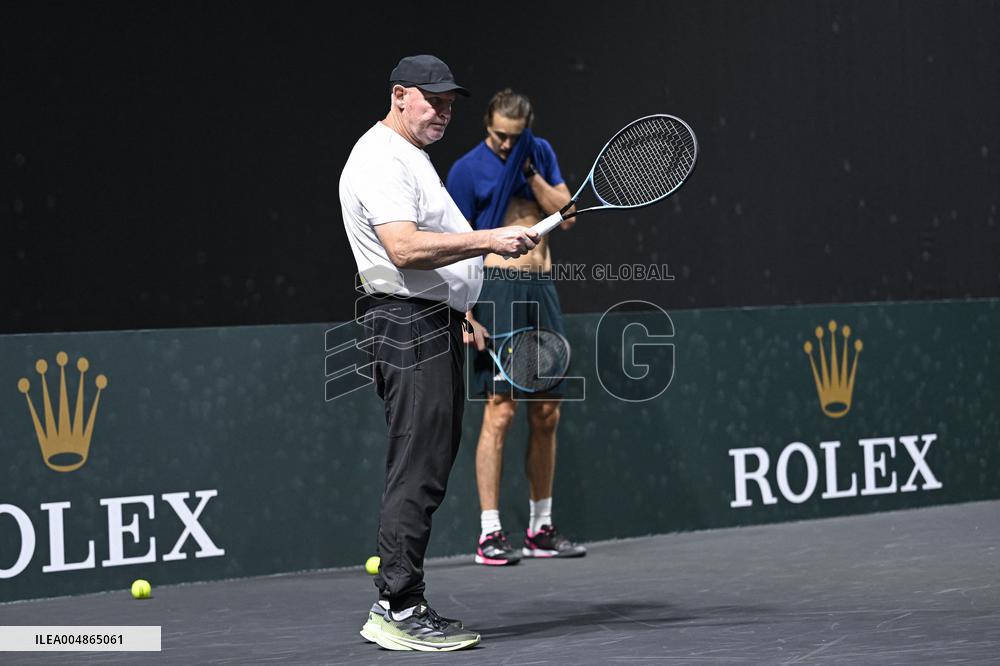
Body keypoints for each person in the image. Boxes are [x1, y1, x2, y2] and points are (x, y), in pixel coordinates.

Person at [339, 55, 539, 652]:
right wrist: (491, 239)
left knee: (430, 460)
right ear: (400, 96)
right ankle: (397, 607)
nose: (445, 112)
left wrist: (462, 309)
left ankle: (405, 599)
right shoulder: (379, 158)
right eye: (434, 101)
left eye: (451, 103)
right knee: (418, 463)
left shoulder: (411, 159)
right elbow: (402, 248)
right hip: (404, 323)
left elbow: (431, 254)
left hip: (431, 321)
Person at [446, 89, 587, 567]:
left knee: (547, 412)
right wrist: (466, 312)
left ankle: (540, 528)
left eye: (514, 137)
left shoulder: (538, 152)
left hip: (542, 287)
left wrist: (531, 172)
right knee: (500, 411)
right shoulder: (466, 170)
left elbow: (565, 216)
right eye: (498, 136)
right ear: (487, 125)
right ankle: (489, 532)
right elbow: (455, 244)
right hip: (497, 290)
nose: (505, 145)